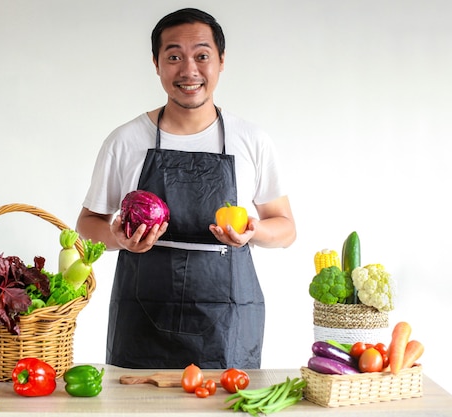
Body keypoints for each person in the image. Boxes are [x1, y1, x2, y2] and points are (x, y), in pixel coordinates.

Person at [76, 8, 296, 369]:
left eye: (202, 56)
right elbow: (88, 223)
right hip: (142, 320)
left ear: (221, 61)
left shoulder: (251, 140)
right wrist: (118, 238)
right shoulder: (125, 141)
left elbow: (285, 228)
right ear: (157, 63)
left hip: (228, 322)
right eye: (174, 56)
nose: (189, 70)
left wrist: (254, 232)